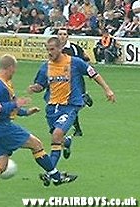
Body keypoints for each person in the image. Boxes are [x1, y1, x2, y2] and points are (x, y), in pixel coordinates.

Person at [0, 54, 77, 206]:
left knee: (1, 166)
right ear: (10, 67)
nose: (15, 72)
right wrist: (15, 104)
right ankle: (56, 177)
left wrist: (26, 111)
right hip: (3, 127)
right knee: (37, 145)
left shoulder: (4, 82)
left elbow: (10, 105)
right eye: (14, 69)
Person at [28, 37, 116, 186]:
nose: (49, 53)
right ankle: (66, 142)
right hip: (51, 108)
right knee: (58, 139)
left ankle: (51, 174)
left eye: (52, 49)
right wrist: (34, 88)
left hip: (70, 106)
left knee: (56, 136)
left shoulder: (75, 62)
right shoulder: (45, 67)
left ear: (60, 48)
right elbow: (40, 85)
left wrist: (107, 89)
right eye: (47, 50)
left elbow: (93, 73)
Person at [57, 27, 93, 137]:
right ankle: (77, 129)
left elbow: (84, 61)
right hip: (62, 81)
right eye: (60, 34)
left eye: (64, 34)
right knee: (68, 105)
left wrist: (90, 73)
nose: (62, 36)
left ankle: (83, 99)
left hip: (76, 81)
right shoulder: (55, 49)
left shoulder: (74, 48)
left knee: (72, 105)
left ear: (68, 36)